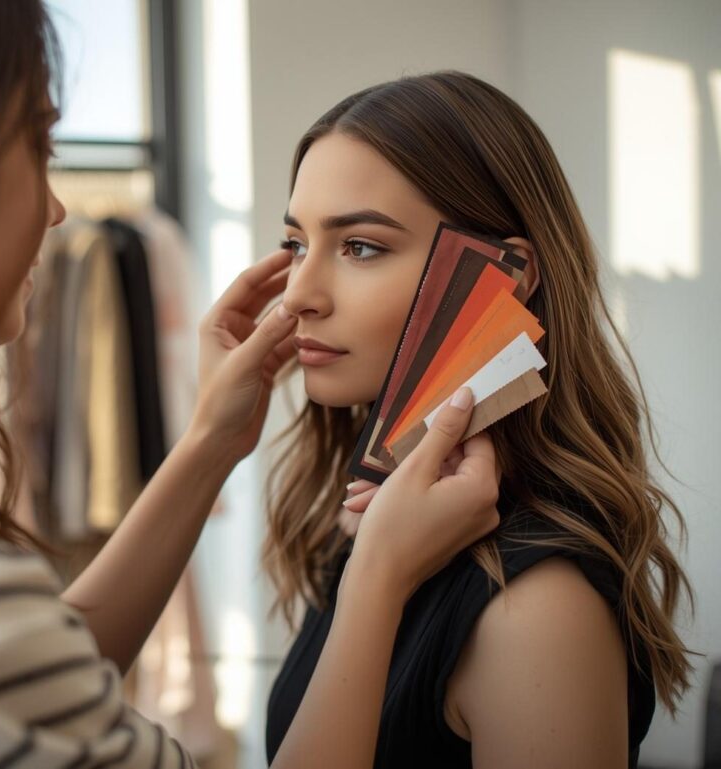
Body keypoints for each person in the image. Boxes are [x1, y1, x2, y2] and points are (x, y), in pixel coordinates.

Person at [0, 3, 499, 767]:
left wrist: (210, 441)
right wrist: (376, 580)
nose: (56, 210)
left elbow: (34, 665)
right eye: (37, 147)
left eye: (359, 245)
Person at [262, 71, 694, 769]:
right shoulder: (372, 525)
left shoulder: (536, 610)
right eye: (294, 245)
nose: (296, 297)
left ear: (509, 273)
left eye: (360, 246)